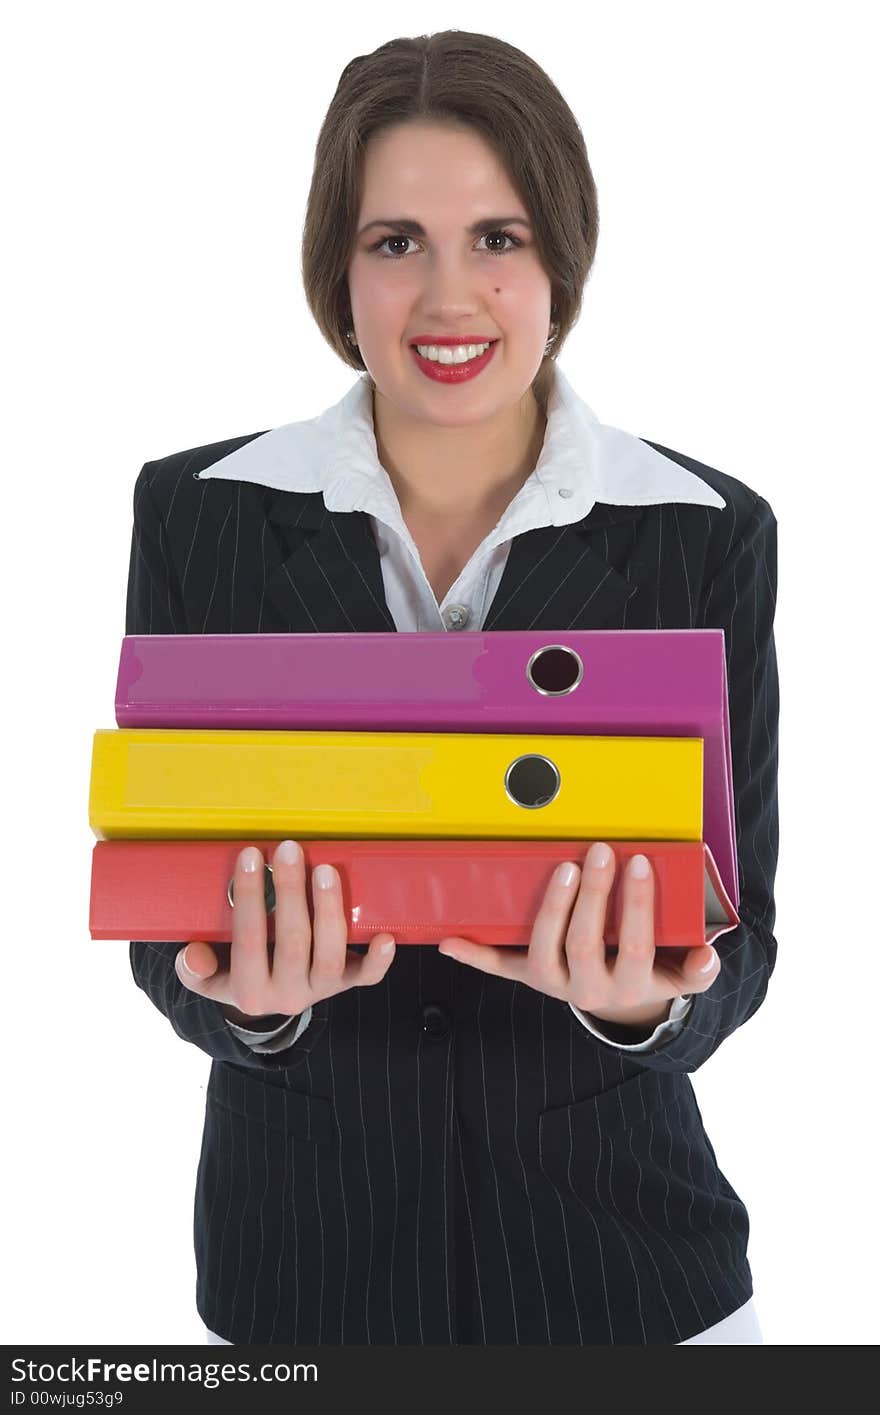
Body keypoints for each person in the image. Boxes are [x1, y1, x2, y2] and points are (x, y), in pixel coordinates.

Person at [126, 29, 778, 1347]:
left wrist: (639, 1002)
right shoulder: (199, 516)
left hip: (627, 1273)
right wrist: (253, 1010)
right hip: (302, 1270)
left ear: (560, 261)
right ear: (338, 267)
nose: (448, 296)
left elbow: (742, 938)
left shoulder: (702, 531)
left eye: (497, 237)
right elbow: (160, 906)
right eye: (394, 242)